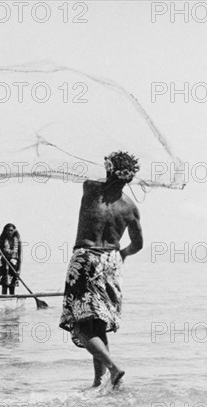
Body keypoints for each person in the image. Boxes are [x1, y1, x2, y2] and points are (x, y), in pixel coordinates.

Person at [59, 151, 143, 389]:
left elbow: (91, 175)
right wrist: (122, 254)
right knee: (98, 324)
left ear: (108, 169)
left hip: (86, 258)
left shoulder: (91, 189)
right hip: (111, 262)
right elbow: (138, 244)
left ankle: (114, 367)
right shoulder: (130, 208)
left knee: (81, 326)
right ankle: (100, 382)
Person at [0, 223, 22, 295]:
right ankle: (3, 301)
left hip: (14, 264)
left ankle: (12, 301)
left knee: (12, 286)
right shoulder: (2, 240)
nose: (9, 232)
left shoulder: (18, 241)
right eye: (8, 230)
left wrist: (19, 269)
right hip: (4, 264)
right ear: (5, 231)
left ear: (14, 231)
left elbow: (20, 256)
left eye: (11, 230)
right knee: (4, 286)